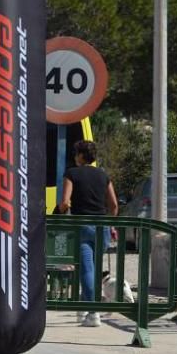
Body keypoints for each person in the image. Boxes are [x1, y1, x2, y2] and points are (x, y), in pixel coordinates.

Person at [58, 140, 119, 327]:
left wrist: (61, 211)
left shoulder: (71, 174)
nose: (75, 156)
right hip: (102, 228)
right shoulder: (103, 175)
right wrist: (111, 224)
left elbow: (66, 202)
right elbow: (114, 205)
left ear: (81, 156)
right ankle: (84, 309)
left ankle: (93, 313)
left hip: (82, 227)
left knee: (86, 270)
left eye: (76, 153)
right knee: (93, 268)